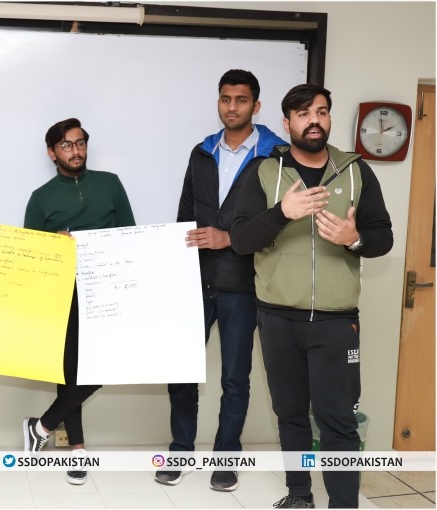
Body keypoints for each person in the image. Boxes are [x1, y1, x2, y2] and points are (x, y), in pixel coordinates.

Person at [230, 84, 393, 508]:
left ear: (329, 118)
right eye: (303, 114)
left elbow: (384, 237)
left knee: (338, 420)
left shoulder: (356, 171)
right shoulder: (263, 172)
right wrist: (282, 213)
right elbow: (241, 239)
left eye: (321, 112)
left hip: (337, 322)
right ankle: (299, 494)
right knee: (290, 413)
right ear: (287, 124)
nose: (313, 120)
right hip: (277, 317)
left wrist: (355, 239)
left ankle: (343, 504)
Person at [156, 70, 287, 492]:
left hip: (244, 284)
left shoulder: (276, 156)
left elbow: (279, 222)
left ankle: (226, 457)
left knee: (235, 376)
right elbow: (184, 214)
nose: (232, 107)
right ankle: (180, 451)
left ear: (256, 106)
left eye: (241, 100)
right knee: (180, 371)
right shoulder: (201, 152)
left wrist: (229, 239)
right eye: (226, 99)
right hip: (196, 281)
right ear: (218, 102)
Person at [22, 117, 135, 485]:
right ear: (52, 152)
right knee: (70, 371)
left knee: (103, 367)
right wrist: (55, 242)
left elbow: (131, 235)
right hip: (63, 295)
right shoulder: (40, 198)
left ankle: (41, 426)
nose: (76, 150)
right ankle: (77, 448)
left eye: (80, 142)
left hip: (108, 289)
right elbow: (31, 255)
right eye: (67, 145)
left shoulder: (110, 184)